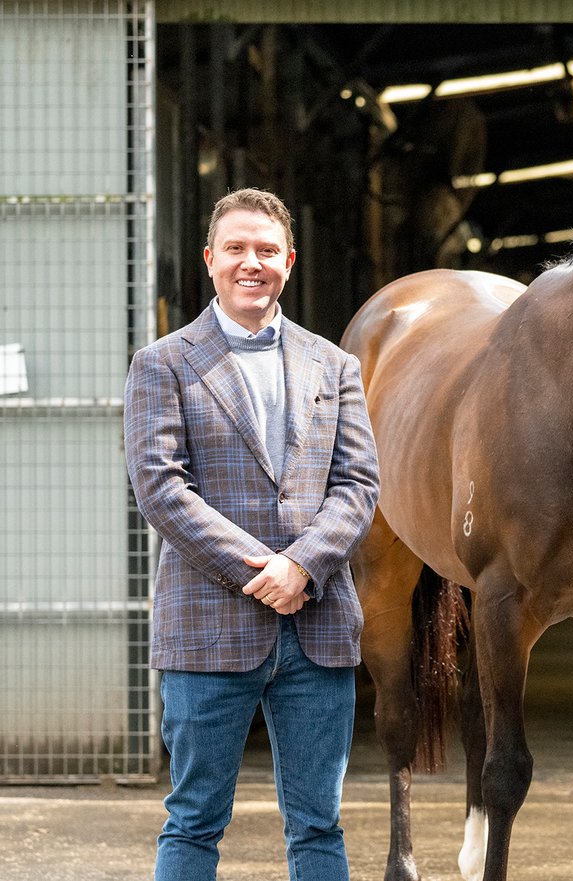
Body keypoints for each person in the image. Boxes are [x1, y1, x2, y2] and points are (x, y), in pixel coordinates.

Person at [124, 187, 380, 881]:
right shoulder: (164, 364)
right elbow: (162, 489)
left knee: (319, 824)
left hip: (316, 628)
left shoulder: (334, 366)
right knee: (195, 819)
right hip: (208, 628)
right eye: (236, 248)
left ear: (289, 262)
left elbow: (359, 486)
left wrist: (302, 566)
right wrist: (263, 569)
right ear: (210, 260)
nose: (251, 263)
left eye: (266, 250)